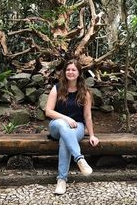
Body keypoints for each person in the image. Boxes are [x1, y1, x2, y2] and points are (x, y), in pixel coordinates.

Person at [45, 59, 99, 195]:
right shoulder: (57, 88)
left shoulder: (84, 92)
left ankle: (61, 181)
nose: (70, 72)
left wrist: (92, 135)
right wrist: (66, 118)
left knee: (65, 140)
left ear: (79, 73)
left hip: (77, 127)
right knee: (63, 126)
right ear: (64, 72)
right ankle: (79, 158)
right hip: (56, 125)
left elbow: (87, 116)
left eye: (73, 70)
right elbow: (48, 111)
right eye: (68, 69)